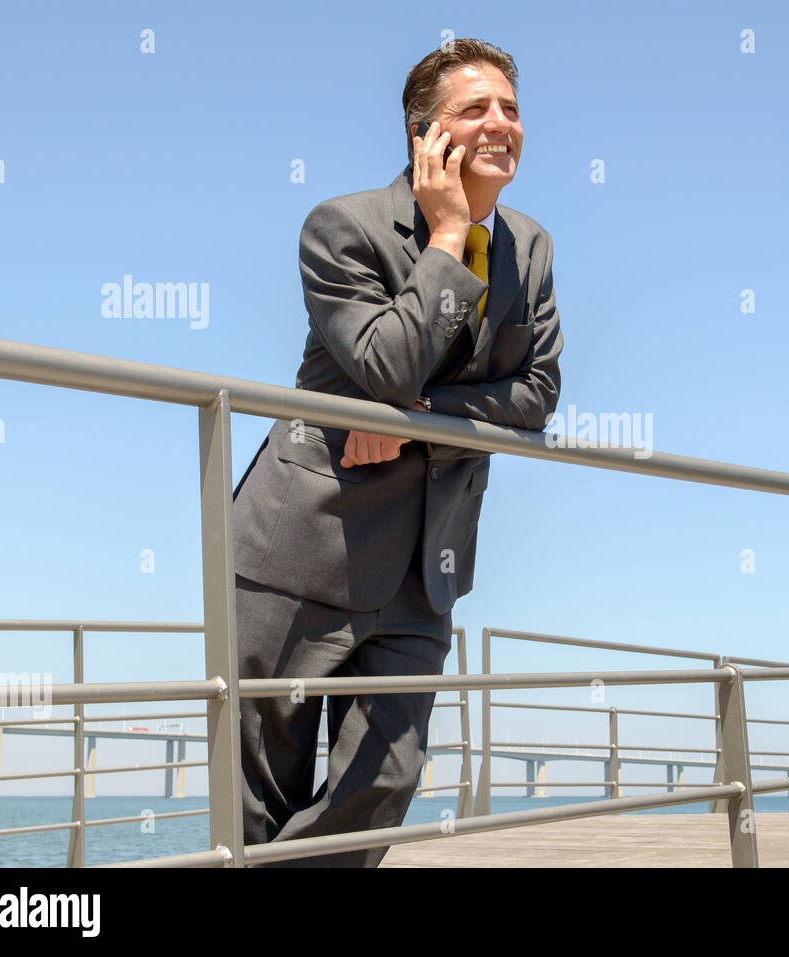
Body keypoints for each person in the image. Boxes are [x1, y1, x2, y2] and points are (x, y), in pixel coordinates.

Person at [229, 38, 563, 867]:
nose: (501, 124)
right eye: (476, 109)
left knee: (384, 783)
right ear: (425, 137)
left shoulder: (533, 247)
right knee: (257, 793)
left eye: (511, 109)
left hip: (426, 560)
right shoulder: (341, 228)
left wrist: (416, 421)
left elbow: (538, 393)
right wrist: (448, 236)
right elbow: (386, 360)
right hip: (301, 546)